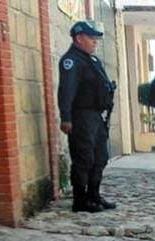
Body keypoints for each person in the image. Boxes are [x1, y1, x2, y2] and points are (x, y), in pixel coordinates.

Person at [58, 21, 117, 212]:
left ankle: (94, 195)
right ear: (79, 38)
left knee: (101, 157)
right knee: (84, 158)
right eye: (91, 38)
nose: (95, 42)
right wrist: (66, 117)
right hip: (81, 115)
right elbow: (66, 91)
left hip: (96, 116)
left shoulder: (92, 60)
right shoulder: (71, 61)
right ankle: (80, 200)